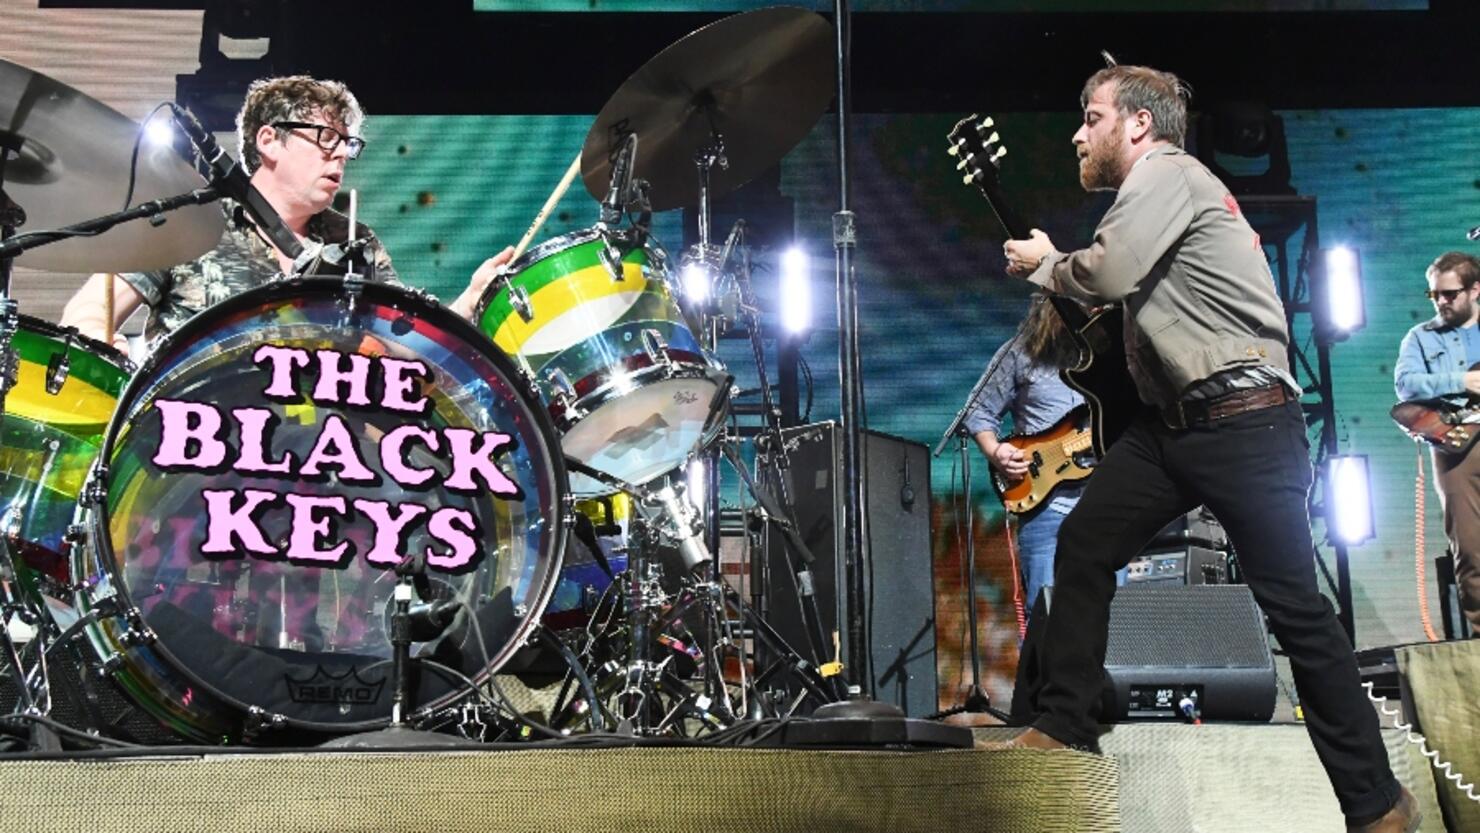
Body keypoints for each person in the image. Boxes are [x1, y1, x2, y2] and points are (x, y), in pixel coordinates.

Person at [997, 63, 1417, 833]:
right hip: (1174, 431)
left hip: (1247, 423)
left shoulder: (1166, 173)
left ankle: (1379, 803)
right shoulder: (1159, 190)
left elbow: (1110, 271)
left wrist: (1046, 264)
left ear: (1139, 125)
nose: (1076, 133)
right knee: (1085, 544)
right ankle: (1064, 725)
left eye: (1092, 117)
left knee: (1297, 612)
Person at [60, 74, 509, 347]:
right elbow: (87, 314)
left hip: (320, 466)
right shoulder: (187, 220)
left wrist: (469, 302)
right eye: (325, 139)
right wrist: (104, 345)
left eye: (346, 144)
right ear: (269, 140)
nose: (340, 157)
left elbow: (404, 343)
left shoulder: (353, 241)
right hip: (187, 456)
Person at [962, 292, 1088, 629]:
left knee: (1110, 611)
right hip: (1044, 500)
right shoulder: (1022, 352)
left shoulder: (1111, 356)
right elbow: (978, 411)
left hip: (1105, 500)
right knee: (1045, 611)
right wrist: (995, 451)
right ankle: (1043, 681)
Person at [1394, 251, 1480, 637]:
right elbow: (1406, 384)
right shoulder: (1421, 337)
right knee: (1471, 551)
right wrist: (1460, 381)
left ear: (1474, 290)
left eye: (1450, 294)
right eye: (1435, 295)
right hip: (1458, 444)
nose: (1441, 302)